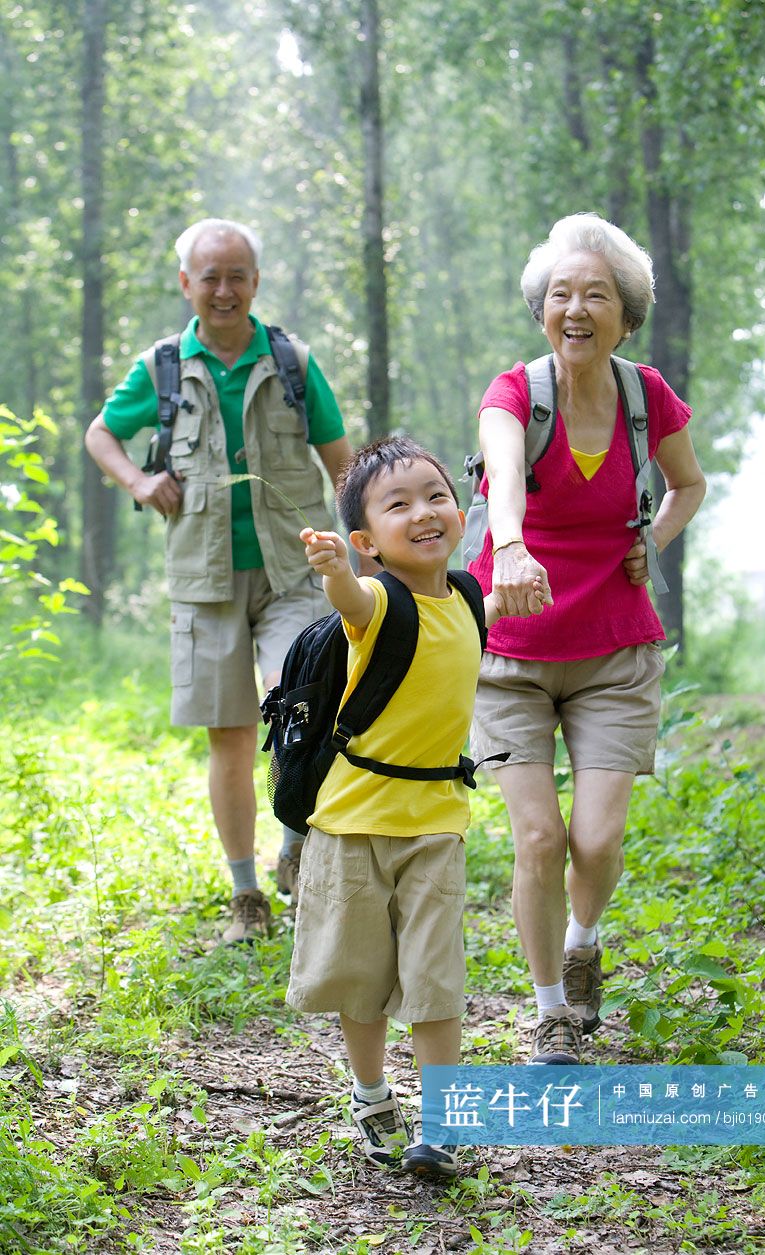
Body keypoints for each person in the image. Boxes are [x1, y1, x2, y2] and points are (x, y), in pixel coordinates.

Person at [469, 212, 706, 1065]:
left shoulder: (646, 397)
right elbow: (501, 480)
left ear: (625, 315)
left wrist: (651, 542)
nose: (576, 308)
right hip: (510, 654)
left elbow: (687, 484)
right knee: (536, 838)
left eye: (595, 295)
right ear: (540, 310)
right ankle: (548, 1014)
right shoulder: (514, 395)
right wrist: (514, 546)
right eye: (560, 294)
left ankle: (581, 938)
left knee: (596, 841)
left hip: (613, 649)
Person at [84, 217, 354, 942]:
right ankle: (247, 895)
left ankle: (295, 846)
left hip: (292, 567)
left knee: (301, 704)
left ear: (255, 283)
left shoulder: (292, 360)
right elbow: (100, 434)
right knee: (229, 735)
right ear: (186, 284)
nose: (224, 289)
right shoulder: (164, 366)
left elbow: (341, 460)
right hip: (203, 577)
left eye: (237, 275)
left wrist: (364, 542)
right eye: (210, 276)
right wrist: (141, 481)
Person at [284, 436, 544, 1177]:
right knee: (359, 981)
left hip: (435, 827)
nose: (423, 512)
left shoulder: (466, 596)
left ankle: (444, 1125)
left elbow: (478, 614)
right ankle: (372, 1096)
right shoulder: (374, 601)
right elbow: (352, 602)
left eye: (434, 495)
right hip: (351, 825)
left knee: (435, 981)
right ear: (368, 539)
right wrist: (338, 571)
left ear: (459, 513)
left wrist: (521, 585)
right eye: (397, 505)